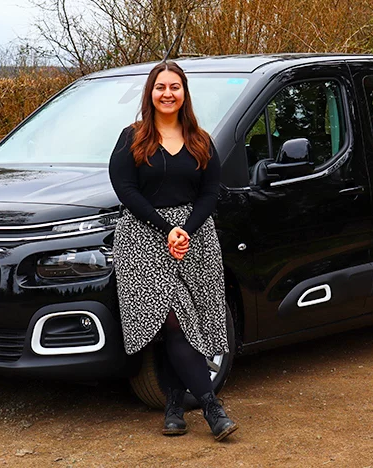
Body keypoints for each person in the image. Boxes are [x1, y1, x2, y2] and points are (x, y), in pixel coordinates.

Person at [107, 61, 238, 441]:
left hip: (194, 241)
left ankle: (174, 408)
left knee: (186, 323)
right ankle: (213, 408)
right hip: (143, 239)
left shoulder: (201, 140)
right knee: (174, 319)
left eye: (174, 87)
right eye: (160, 87)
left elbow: (210, 192)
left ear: (184, 93)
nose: (168, 93)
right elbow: (125, 189)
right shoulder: (131, 137)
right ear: (150, 93)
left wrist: (186, 230)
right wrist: (167, 229)